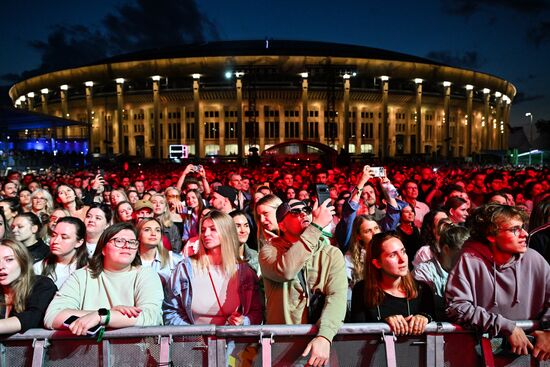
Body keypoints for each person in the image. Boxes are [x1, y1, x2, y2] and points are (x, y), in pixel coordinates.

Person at [446, 204, 550, 361]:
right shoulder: (470, 259)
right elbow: (457, 307)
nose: (525, 234)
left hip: (532, 354)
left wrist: (549, 332)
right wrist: (507, 326)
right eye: (515, 229)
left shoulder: (534, 259)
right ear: (491, 235)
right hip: (482, 355)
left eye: (523, 227)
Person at [260, 199, 347, 366]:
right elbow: (287, 270)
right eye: (294, 211)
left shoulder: (331, 254)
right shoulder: (270, 251)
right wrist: (316, 227)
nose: (303, 213)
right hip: (282, 351)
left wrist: (324, 337)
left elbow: (337, 297)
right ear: (282, 226)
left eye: (306, 209)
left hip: (319, 349)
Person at [44, 222, 164, 333]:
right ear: (103, 249)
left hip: (135, 350)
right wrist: (106, 314)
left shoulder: (146, 274)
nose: (127, 246)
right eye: (119, 241)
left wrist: (102, 317)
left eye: (132, 242)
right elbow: (53, 316)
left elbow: (151, 317)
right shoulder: (82, 276)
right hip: (85, 352)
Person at [163, 210, 263, 326]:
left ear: (227, 232)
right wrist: (194, 336)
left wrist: (243, 322)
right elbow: (170, 311)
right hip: (194, 342)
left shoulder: (244, 271)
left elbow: (256, 312)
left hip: (232, 342)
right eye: (203, 230)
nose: (206, 234)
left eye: (213, 229)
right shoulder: (185, 269)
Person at [350, 232, 434, 335]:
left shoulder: (422, 289)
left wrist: (425, 318)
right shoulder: (362, 290)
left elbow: (435, 319)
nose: (402, 259)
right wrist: (385, 325)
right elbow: (357, 332)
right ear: (377, 263)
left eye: (403, 252)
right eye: (393, 255)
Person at [0, 239, 57, 334]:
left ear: (23, 262)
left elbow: (32, 317)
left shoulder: (42, 285)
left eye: (9, 260)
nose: (1, 266)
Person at [413, 225, 469, 320]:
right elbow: (424, 307)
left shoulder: (470, 271)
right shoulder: (424, 272)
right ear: (446, 249)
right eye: (461, 253)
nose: (467, 259)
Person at [34, 217, 88, 288]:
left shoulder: (88, 270)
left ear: (79, 242)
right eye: (54, 235)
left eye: (64, 237)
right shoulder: (39, 267)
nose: (56, 241)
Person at [136, 218, 182, 288]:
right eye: (147, 230)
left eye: (157, 230)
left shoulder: (175, 260)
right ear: (138, 235)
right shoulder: (130, 261)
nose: (153, 234)